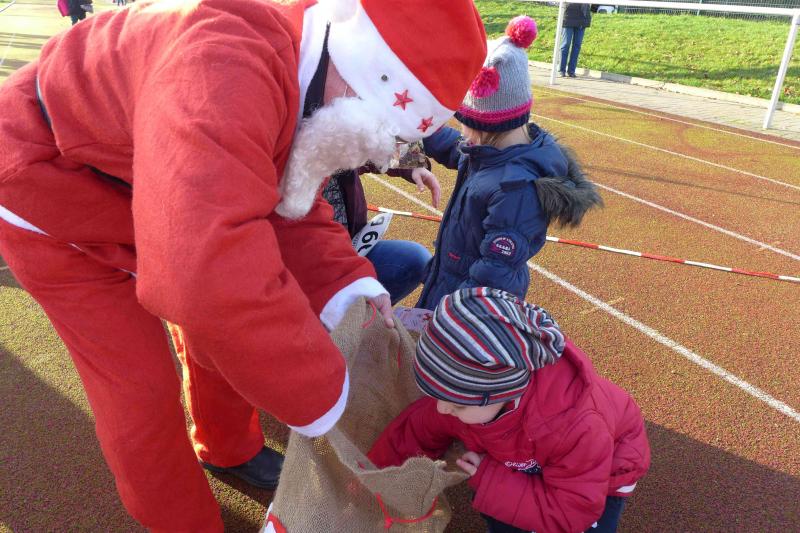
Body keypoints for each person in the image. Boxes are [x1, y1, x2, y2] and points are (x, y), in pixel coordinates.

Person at [0, 0, 486, 529]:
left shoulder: (312, 72)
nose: (371, 151)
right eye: (381, 126)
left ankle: (227, 445)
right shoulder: (224, 64)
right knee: (140, 390)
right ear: (361, 65)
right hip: (50, 189)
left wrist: (348, 283)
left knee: (221, 336)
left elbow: (291, 203)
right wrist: (321, 392)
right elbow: (200, 279)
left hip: (138, 177)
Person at [368, 287, 651, 533]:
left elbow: (572, 511)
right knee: (504, 509)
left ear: (503, 393)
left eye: (456, 404)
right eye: (438, 396)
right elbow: (415, 431)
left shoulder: (576, 426)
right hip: (529, 454)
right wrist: (373, 479)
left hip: (604, 471)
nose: (442, 409)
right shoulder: (465, 399)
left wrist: (490, 479)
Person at [415, 15, 602, 312]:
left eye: (462, 121)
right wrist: (422, 128)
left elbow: (492, 278)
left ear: (483, 124)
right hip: (449, 286)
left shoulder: (515, 190)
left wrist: (447, 317)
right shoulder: (492, 153)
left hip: (467, 314)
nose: (460, 128)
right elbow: (455, 149)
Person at [322, 149, 438, 304]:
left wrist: (413, 164)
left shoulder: (332, 144)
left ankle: (371, 313)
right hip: (309, 268)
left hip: (353, 247)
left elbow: (369, 147)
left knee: (417, 259)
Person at [559, 3, 592, 78]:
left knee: (577, 46)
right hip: (569, 16)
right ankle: (562, 70)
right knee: (565, 44)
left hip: (582, 18)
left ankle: (571, 71)